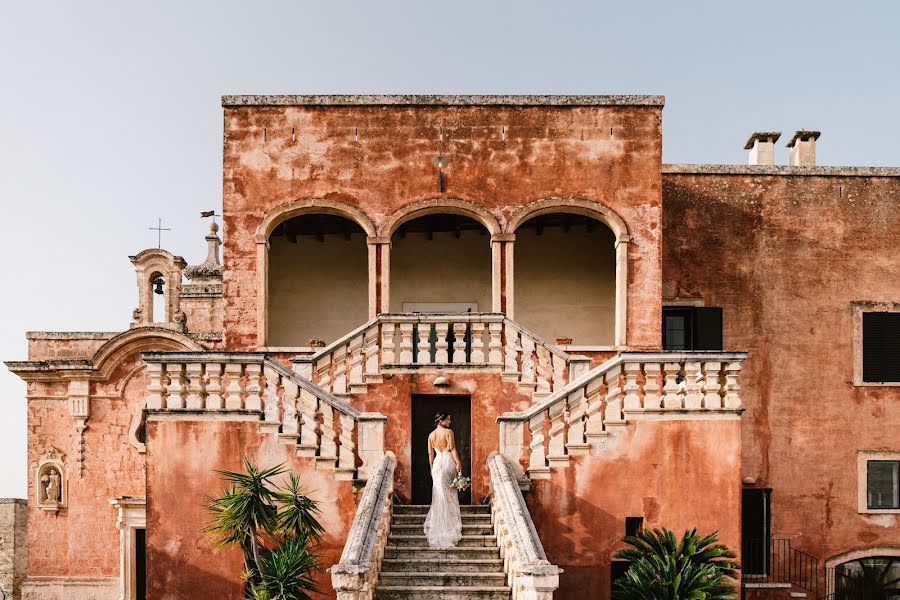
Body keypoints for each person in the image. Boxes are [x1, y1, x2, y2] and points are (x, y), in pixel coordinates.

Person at [423, 411, 463, 549]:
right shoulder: (448, 432)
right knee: (450, 493)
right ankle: (449, 524)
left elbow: (430, 454)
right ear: (442, 421)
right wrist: (458, 462)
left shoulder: (431, 435)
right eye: (448, 419)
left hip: (437, 464)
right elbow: (452, 448)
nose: (450, 421)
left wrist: (431, 468)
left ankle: (439, 522)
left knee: (439, 493)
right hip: (447, 462)